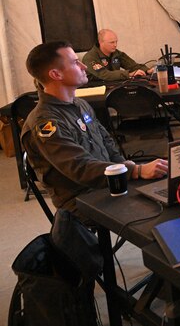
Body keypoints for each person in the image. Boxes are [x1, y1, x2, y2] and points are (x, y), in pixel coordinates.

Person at [21, 41, 168, 218]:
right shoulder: (45, 123)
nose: (84, 66)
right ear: (55, 74)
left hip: (110, 182)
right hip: (82, 199)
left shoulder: (80, 104)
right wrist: (135, 171)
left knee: (168, 190)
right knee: (157, 213)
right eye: (75, 62)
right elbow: (80, 168)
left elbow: (107, 143)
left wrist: (127, 169)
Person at [82, 28, 153, 82]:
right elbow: (104, 75)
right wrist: (128, 74)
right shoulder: (90, 58)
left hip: (113, 86)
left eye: (116, 42)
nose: (115, 45)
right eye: (111, 42)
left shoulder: (117, 53)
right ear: (101, 42)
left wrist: (147, 71)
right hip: (96, 89)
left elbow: (133, 66)